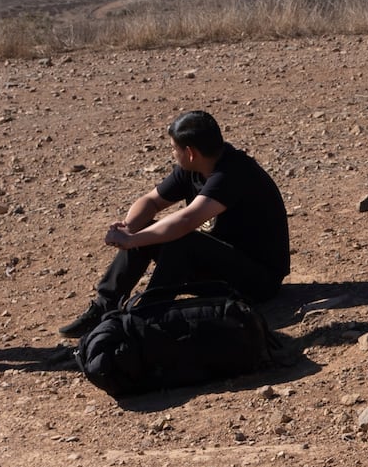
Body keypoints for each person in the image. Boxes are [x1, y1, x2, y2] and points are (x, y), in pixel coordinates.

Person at [59, 110, 289, 338]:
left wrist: (132, 240)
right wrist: (129, 227)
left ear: (190, 152)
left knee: (181, 240)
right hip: (224, 268)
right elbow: (150, 201)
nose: (172, 153)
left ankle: (144, 315)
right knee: (150, 229)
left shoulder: (232, 173)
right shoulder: (197, 168)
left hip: (259, 282)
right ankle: (105, 305)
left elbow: (186, 220)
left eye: (173, 148)